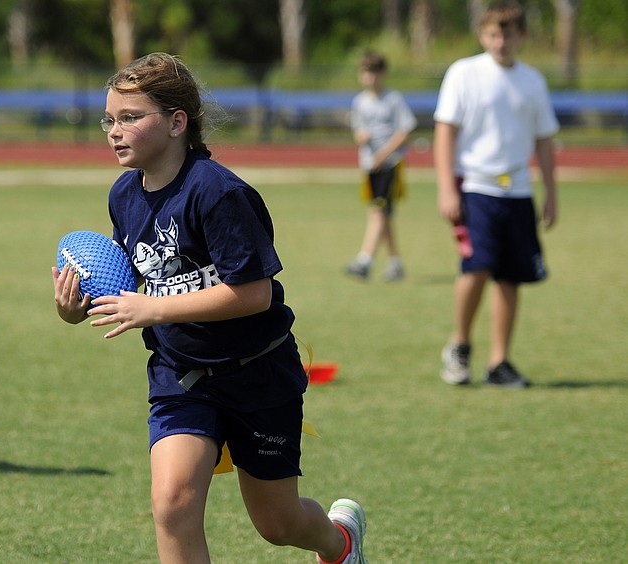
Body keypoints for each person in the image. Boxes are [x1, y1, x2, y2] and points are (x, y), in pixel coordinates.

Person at [52, 53, 368, 564]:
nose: (114, 130)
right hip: (181, 375)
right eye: (109, 119)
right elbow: (135, 282)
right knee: (173, 505)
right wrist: (74, 308)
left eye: (131, 117)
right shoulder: (123, 196)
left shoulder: (218, 193)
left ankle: (340, 543)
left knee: (277, 523)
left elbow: (254, 294)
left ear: (178, 123)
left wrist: (154, 309)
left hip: (257, 373)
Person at [434, 0, 558, 388]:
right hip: (475, 186)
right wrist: (444, 188)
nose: (499, 41)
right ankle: (459, 346)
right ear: (482, 35)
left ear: (521, 35)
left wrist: (551, 192)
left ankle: (499, 361)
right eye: (492, 34)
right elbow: (445, 132)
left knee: (511, 277)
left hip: (518, 191)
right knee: (478, 267)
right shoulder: (464, 73)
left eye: (507, 34)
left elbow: (544, 140)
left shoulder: (533, 80)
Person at [345, 50, 416, 282]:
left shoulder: (393, 99)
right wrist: (361, 137)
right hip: (369, 166)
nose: (370, 78)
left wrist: (384, 153)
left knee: (378, 211)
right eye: (366, 72)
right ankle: (395, 263)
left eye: (375, 73)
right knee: (381, 213)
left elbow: (404, 131)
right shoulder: (359, 102)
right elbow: (358, 131)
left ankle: (365, 260)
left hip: (390, 165)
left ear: (383, 74)